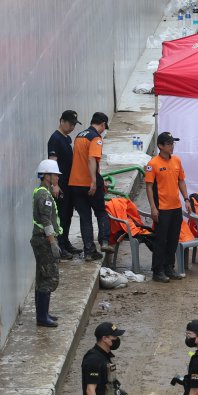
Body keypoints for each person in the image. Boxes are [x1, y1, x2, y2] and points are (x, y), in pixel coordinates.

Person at [145, 132, 191, 283]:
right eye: (169, 144)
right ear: (160, 146)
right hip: (161, 208)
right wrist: (153, 207)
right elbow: (149, 187)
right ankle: (157, 270)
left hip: (175, 207)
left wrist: (186, 199)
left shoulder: (177, 160)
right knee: (161, 240)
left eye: (173, 144)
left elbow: (181, 181)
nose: (172, 146)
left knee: (173, 239)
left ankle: (169, 267)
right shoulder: (153, 164)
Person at [69, 112, 113, 261]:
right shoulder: (95, 138)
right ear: (102, 124)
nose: (103, 130)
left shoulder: (79, 135)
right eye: (104, 127)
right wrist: (94, 181)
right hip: (89, 183)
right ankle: (104, 241)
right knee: (101, 212)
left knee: (85, 218)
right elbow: (91, 159)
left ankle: (89, 251)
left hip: (75, 183)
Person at [31, 160, 63, 328]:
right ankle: (42, 317)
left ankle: (43, 314)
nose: (57, 177)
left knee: (43, 276)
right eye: (55, 175)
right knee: (48, 277)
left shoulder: (42, 192)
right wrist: (52, 242)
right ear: (47, 176)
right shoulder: (44, 195)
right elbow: (45, 220)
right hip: (44, 240)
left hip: (41, 239)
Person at [48, 110, 82, 259]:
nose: (72, 127)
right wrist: (55, 184)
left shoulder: (66, 138)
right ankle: (60, 247)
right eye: (70, 123)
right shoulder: (55, 139)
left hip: (69, 184)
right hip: (60, 184)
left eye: (74, 124)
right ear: (62, 121)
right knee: (61, 216)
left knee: (68, 215)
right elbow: (52, 163)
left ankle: (66, 242)